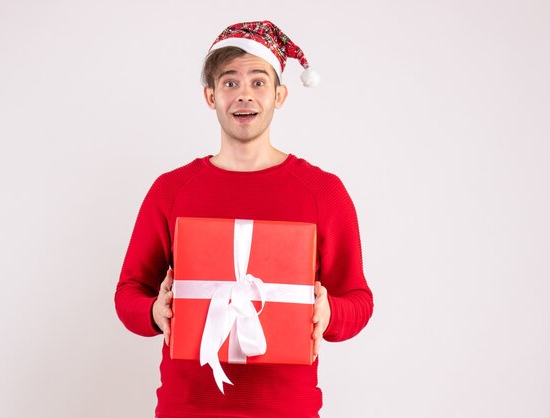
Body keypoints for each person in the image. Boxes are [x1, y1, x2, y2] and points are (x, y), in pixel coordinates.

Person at [115, 20, 373, 418]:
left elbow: (359, 299)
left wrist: (330, 312)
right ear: (210, 96)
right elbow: (129, 291)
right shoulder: (171, 190)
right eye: (230, 83)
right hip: (187, 408)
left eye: (258, 82)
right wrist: (154, 310)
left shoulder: (322, 192)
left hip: (287, 409)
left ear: (279, 95)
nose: (244, 96)